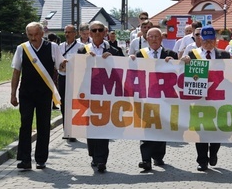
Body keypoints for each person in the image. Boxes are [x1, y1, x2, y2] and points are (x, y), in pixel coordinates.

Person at [11, 22, 66, 170]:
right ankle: (25, 159)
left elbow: (61, 66)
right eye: (30, 35)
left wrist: (65, 64)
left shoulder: (53, 47)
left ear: (42, 34)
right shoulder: (22, 49)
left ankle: (41, 159)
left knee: (43, 126)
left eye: (36, 34)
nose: (33, 38)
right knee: (25, 124)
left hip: (44, 93)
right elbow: (16, 72)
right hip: (26, 94)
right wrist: (13, 94)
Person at [181, 25, 231, 171]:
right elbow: (181, 73)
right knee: (200, 130)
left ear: (215, 41)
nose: (208, 43)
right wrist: (183, 62)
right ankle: (202, 161)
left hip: (218, 99)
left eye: (211, 40)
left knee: (216, 129)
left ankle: (213, 153)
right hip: (199, 99)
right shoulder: (192, 54)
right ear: (200, 40)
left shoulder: (224, 55)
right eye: (205, 40)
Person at [77, 21, 124, 173]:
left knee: (103, 126)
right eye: (94, 30)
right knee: (91, 126)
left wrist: (113, 60)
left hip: (106, 94)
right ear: (89, 34)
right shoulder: (81, 50)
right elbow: (74, 72)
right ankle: (94, 155)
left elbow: (125, 71)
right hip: (89, 93)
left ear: (105, 32)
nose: (97, 33)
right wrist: (84, 60)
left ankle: (101, 159)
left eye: (100, 30)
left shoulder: (115, 50)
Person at [130, 28, 178, 171]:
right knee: (146, 128)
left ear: (161, 38)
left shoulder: (171, 54)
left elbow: (179, 73)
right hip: (146, 97)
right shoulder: (139, 54)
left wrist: (175, 63)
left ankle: (158, 156)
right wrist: (131, 61)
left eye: (156, 37)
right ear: (147, 39)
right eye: (151, 37)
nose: (154, 39)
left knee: (160, 127)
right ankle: (145, 160)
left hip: (164, 99)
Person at [58, 24, 83, 143]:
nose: (67, 34)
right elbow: (56, 61)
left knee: (73, 104)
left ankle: (73, 131)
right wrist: (60, 65)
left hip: (75, 78)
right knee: (63, 104)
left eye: (69, 32)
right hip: (63, 77)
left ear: (75, 33)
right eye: (65, 32)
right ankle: (66, 130)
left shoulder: (81, 47)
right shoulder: (60, 46)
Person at [47, 32, 61, 110]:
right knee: (54, 86)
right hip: (54, 69)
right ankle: (54, 103)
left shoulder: (45, 45)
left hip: (46, 70)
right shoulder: (55, 46)